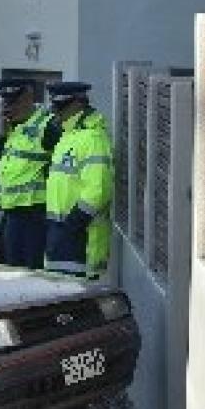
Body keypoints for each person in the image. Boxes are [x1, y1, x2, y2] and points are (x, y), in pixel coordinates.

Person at [43, 82, 114, 278]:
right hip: (61, 233)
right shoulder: (68, 136)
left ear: (77, 104)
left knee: (75, 299)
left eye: (60, 106)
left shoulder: (92, 138)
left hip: (81, 237)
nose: (56, 112)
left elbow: (98, 189)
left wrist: (73, 224)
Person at [0, 78, 55, 269]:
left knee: (34, 270)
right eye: (6, 103)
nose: (9, 109)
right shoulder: (13, 129)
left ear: (28, 98)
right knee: (14, 269)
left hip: (37, 214)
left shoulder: (48, 126)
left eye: (13, 103)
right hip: (12, 214)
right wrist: (1, 135)